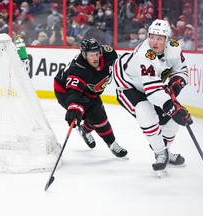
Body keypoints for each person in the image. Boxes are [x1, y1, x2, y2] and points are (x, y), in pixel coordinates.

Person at [112, 19, 193, 176]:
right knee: (146, 113)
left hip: (151, 85)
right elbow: (153, 92)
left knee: (171, 122)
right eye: (152, 37)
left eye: (160, 38)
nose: (155, 42)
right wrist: (173, 107)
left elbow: (181, 70)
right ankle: (160, 153)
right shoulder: (144, 55)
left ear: (167, 40)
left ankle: (166, 153)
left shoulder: (174, 47)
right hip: (128, 85)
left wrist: (175, 86)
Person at [54, 38, 128, 158]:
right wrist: (73, 108)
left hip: (89, 91)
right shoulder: (78, 69)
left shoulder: (109, 54)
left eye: (97, 54)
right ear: (84, 55)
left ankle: (84, 130)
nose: (95, 58)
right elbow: (73, 92)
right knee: (98, 116)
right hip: (65, 92)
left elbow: (122, 64)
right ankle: (111, 143)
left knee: (96, 115)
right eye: (91, 55)